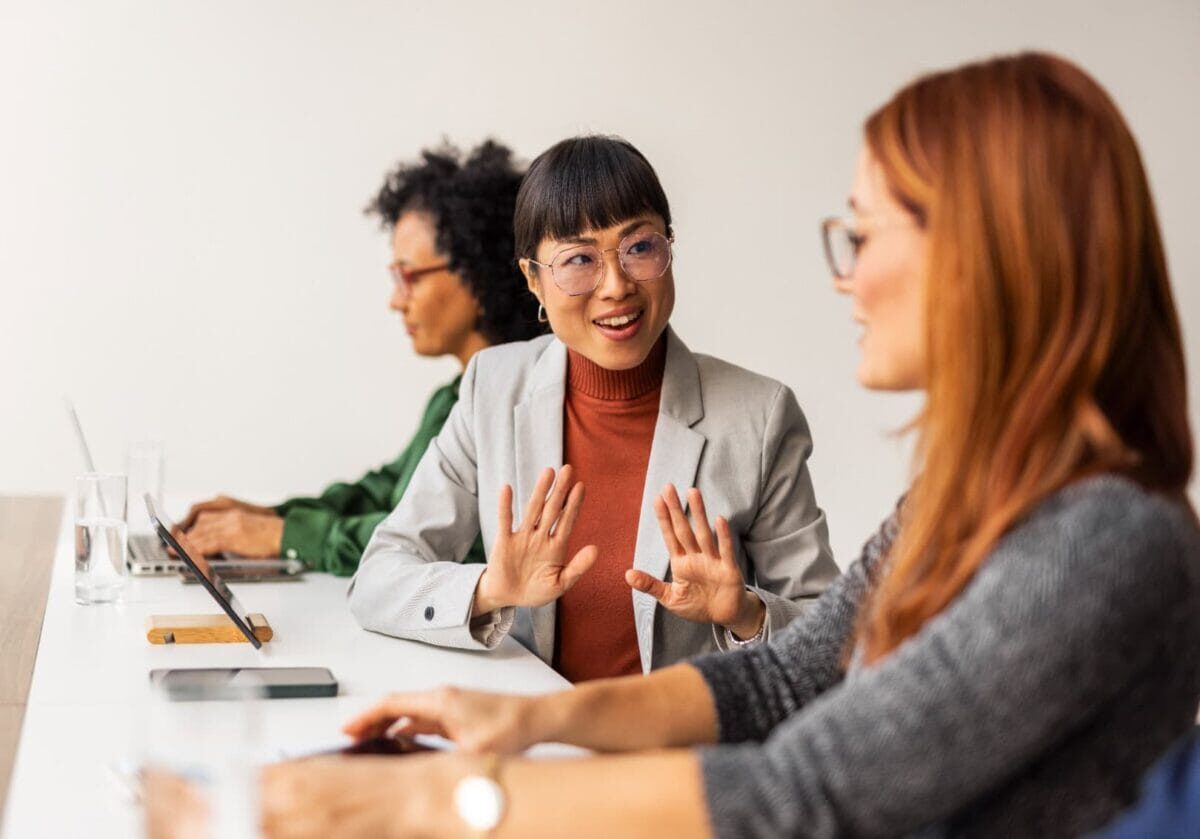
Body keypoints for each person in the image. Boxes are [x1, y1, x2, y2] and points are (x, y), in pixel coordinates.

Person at [261, 53, 1200, 837]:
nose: (848, 276)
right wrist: (526, 716)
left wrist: (434, 801)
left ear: (988, 254)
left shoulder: (1104, 538)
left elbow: (806, 790)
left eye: (863, 234)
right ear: (536, 280)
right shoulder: (976, 494)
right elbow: (791, 676)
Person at [349, 135, 838, 680]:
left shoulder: (759, 416)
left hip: (677, 749)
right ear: (533, 279)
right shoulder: (493, 387)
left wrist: (747, 615)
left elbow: (832, 633)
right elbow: (378, 579)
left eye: (640, 247)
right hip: (536, 742)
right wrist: (492, 589)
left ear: (669, 248)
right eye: (579, 260)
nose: (615, 286)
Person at [176, 141, 544, 575]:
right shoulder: (452, 398)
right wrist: (267, 518)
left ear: (478, 271)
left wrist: (283, 537)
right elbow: (385, 492)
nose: (395, 300)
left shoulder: (521, 407)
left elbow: (439, 543)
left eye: (408, 276)